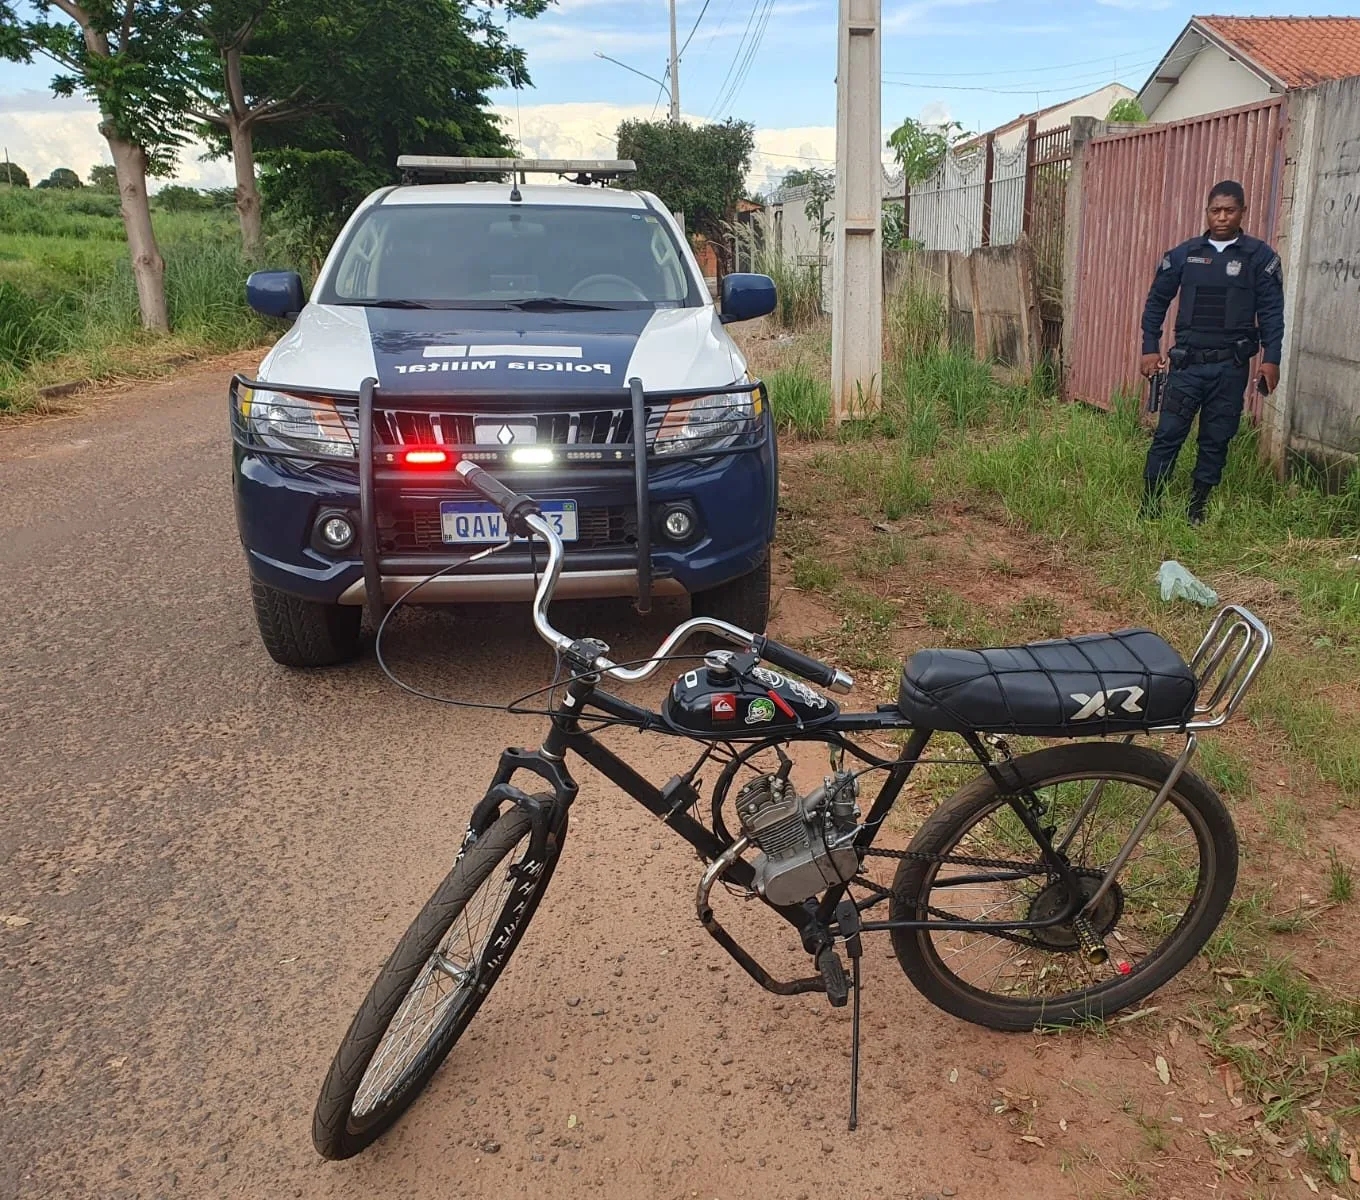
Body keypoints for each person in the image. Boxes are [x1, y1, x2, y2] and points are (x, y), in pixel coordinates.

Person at [1138, 180, 1284, 525]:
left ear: (1242, 212)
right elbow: (1157, 301)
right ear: (1207, 212)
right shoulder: (1184, 255)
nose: (1221, 217)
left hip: (1230, 367)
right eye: (1215, 210)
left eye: (1229, 210)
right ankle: (1149, 507)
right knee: (1168, 435)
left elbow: (1273, 312)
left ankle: (1197, 508)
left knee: (1216, 440)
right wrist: (1148, 348)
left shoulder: (1259, 257)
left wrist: (1271, 358)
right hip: (1187, 366)